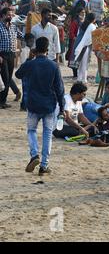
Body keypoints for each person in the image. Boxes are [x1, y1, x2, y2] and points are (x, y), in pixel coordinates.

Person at [15, 37, 65, 176]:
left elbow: (18, 74)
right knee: (47, 134)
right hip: (49, 104)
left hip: (33, 103)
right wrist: (62, 107)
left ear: (35, 50)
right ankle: (44, 165)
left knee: (31, 130)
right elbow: (59, 89)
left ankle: (34, 154)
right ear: (48, 50)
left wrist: (28, 59)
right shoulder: (54, 66)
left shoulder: (30, 64)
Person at [0, 7, 23, 108]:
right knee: (5, 78)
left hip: (11, 55)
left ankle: (3, 100)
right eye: (8, 15)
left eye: (11, 15)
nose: (10, 17)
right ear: (3, 15)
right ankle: (1, 101)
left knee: (8, 78)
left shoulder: (13, 26)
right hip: (2, 55)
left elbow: (20, 35)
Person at [73, 13, 97, 83]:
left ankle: (80, 77)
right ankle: (83, 78)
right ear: (93, 19)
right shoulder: (92, 26)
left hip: (78, 43)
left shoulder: (83, 24)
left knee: (81, 62)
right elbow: (91, 37)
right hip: (85, 45)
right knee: (85, 62)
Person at [66, 7, 85, 78]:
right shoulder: (75, 22)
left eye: (84, 13)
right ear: (78, 13)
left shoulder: (85, 22)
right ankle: (75, 73)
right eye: (82, 13)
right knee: (74, 58)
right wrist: (76, 39)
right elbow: (71, 33)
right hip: (75, 43)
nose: (83, 14)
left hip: (83, 43)